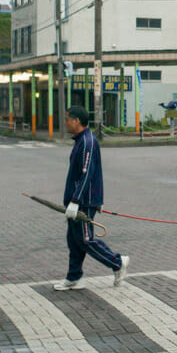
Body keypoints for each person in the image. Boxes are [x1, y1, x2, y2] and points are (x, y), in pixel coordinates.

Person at [54, 106, 130, 290]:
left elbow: (87, 174)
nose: (65, 123)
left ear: (76, 121)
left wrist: (76, 201)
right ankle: (74, 277)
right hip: (81, 200)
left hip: (83, 201)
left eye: (67, 120)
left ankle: (117, 262)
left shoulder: (87, 142)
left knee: (85, 239)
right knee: (74, 240)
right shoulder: (82, 140)